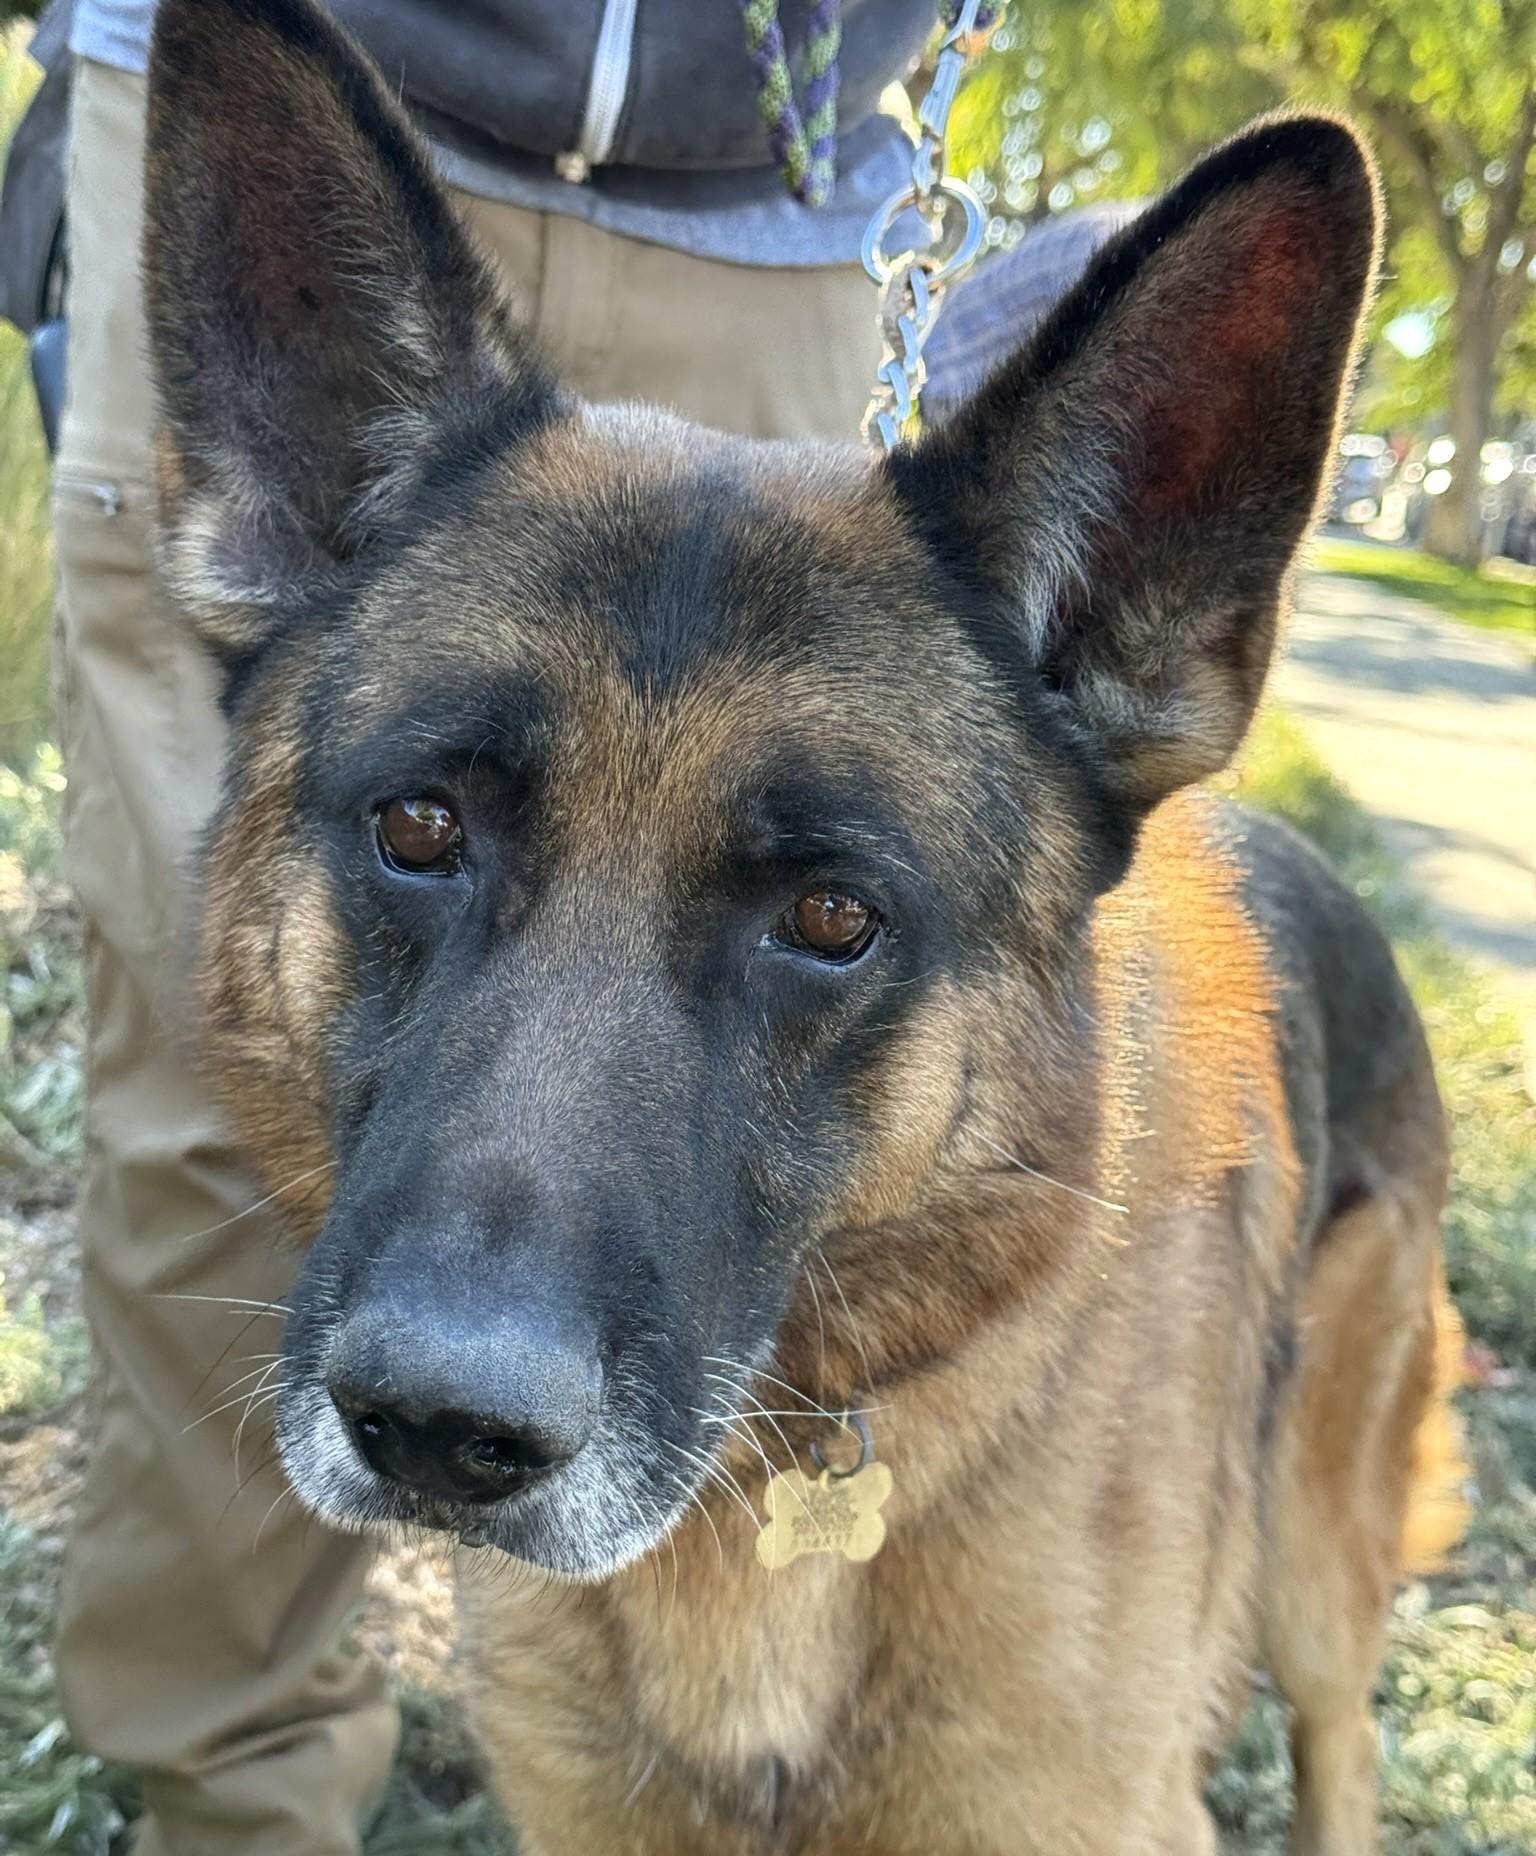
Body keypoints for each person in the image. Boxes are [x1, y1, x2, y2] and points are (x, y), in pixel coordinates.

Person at [0, 3, 944, 1849]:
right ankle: (232, 1797)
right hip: (299, 82)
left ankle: (673, 1767)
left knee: (763, 1113)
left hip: (760, 190)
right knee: (222, 1087)